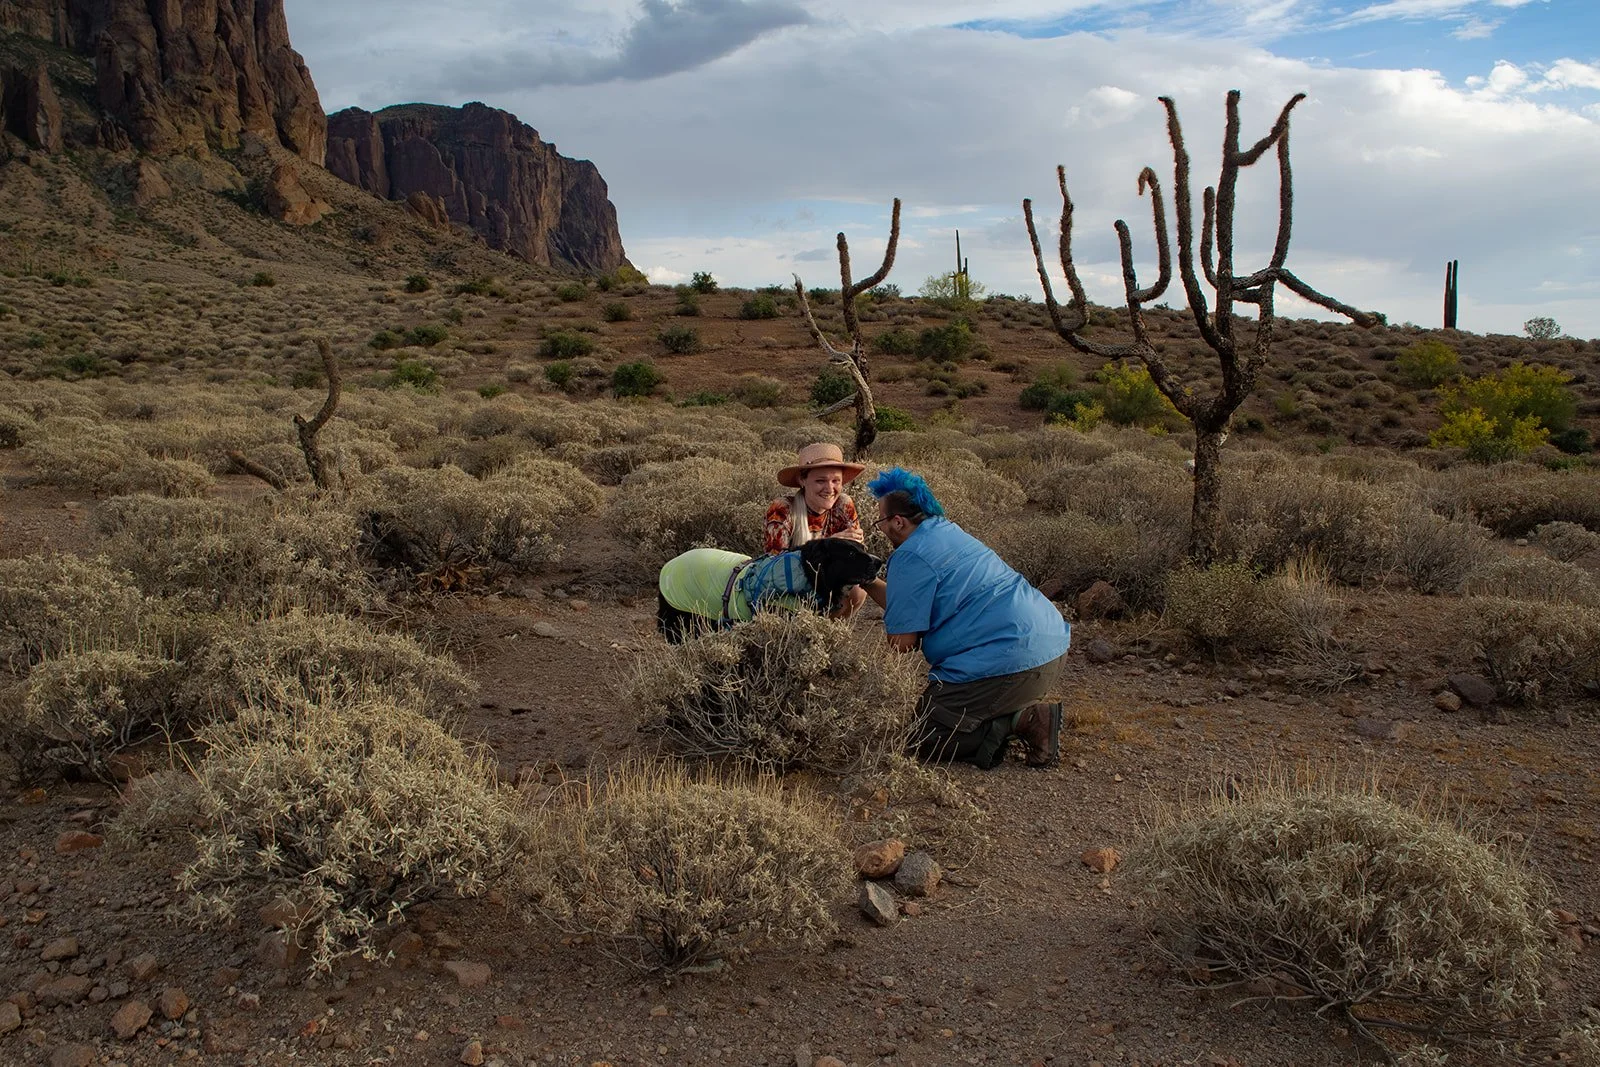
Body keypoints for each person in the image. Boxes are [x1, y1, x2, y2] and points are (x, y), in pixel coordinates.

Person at [869, 467, 1070, 768]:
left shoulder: (910, 555)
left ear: (897, 522)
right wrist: (867, 581)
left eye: (880, 522)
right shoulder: (947, 531)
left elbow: (902, 641)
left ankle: (1027, 720)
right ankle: (1015, 709)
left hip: (1010, 663)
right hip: (1050, 649)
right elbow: (912, 610)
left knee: (923, 737)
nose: (881, 530)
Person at [765, 442, 882, 616]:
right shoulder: (782, 509)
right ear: (802, 480)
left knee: (858, 589)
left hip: (831, 581)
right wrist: (831, 544)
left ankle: (830, 630)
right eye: (820, 481)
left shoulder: (844, 504)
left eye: (836, 481)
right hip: (792, 586)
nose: (829, 489)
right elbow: (774, 564)